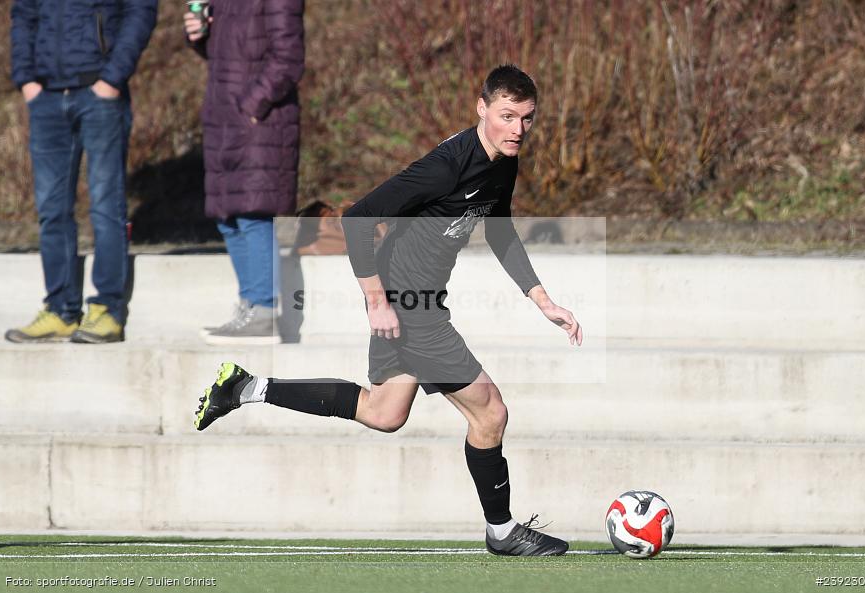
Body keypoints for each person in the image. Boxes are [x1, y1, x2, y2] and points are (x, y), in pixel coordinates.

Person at [194, 65, 583, 556]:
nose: (518, 129)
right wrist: (377, 302)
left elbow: (500, 230)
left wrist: (542, 299)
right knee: (491, 412)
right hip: (409, 303)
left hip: (415, 300)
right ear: (481, 108)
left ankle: (246, 387)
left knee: (384, 412)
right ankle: (502, 531)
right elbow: (357, 218)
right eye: (507, 116)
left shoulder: (503, 162)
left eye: (527, 118)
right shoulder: (447, 166)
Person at [6, 0, 158, 343]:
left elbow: (141, 11)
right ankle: (60, 309)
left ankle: (107, 309)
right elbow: (24, 14)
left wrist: (112, 78)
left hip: (100, 93)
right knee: (51, 209)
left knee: (105, 205)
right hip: (46, 96)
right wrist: (26, 78)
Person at [183, 0, 305, 345]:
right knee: (227, 216)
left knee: (253, 213)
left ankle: (264, 310)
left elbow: (289, 58)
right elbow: (230, 54)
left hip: (260, 121)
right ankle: (249, 306)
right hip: (223, 117)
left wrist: (251, 106)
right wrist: (199, 36)